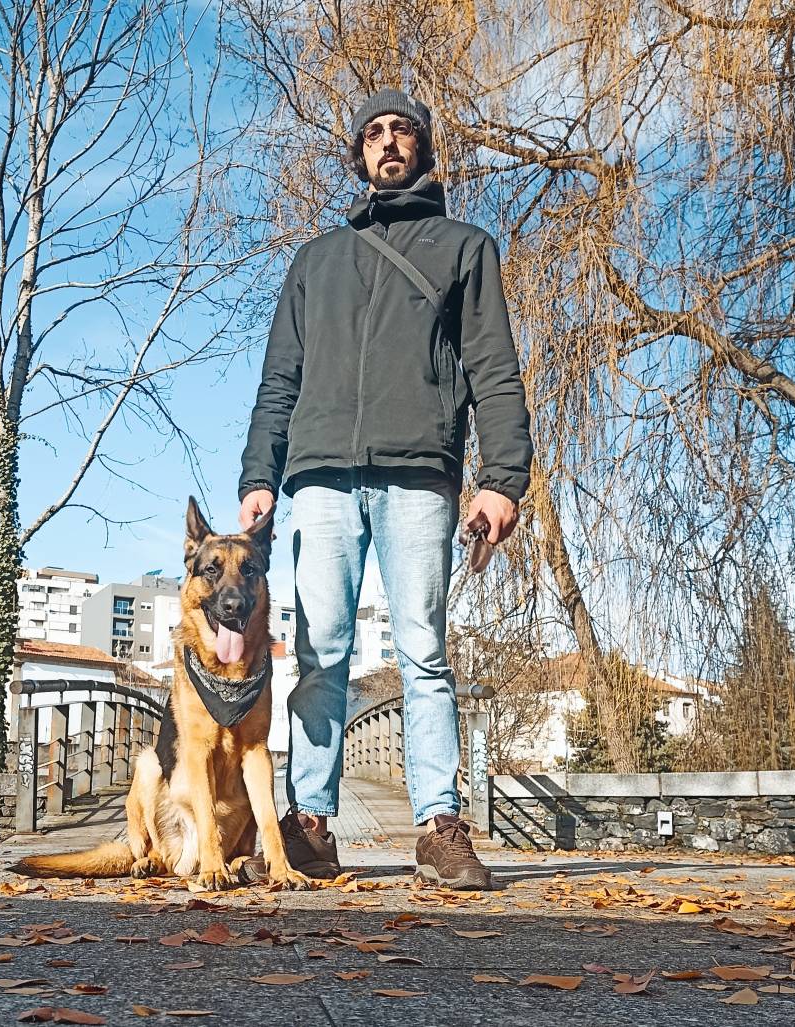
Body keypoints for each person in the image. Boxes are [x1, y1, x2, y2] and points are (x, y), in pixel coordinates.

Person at [237, 88, 533, 889]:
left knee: (424, 654)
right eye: (373, 133)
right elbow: (280, 379)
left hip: (418, 473)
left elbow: (494, 373)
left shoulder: (465, 248)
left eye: (403, 130)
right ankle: (310, 824)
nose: (388, 142)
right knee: (320, 653)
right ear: (359, 154)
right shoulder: (318, 261)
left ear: (425, 149)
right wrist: (259, 476)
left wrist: (502, 480)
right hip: (323, 475)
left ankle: (439, 826)